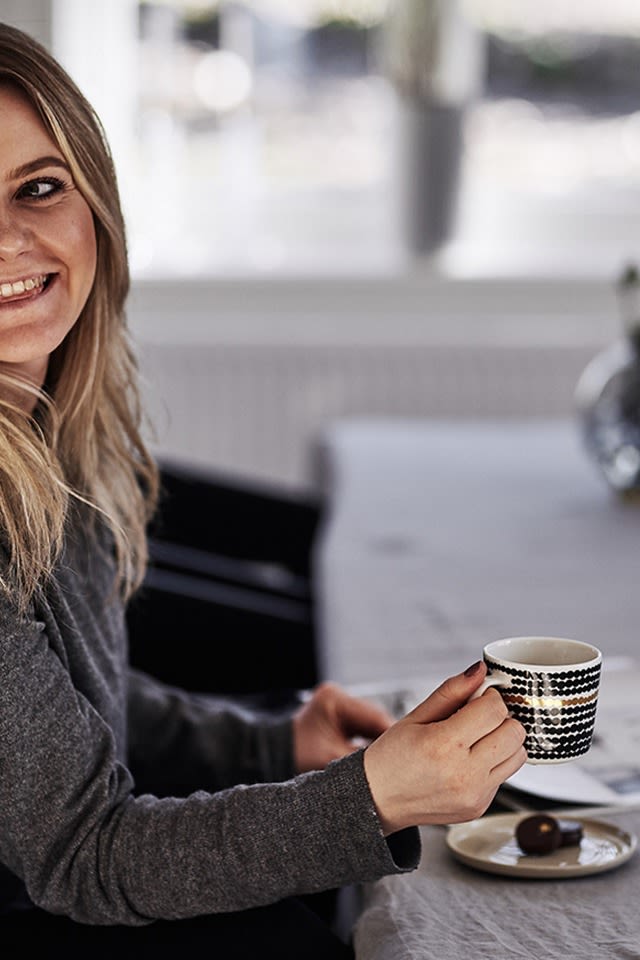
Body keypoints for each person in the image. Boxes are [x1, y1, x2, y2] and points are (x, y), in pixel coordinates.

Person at [0, 21, 527, 959]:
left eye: (38, 187)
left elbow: (79, 706)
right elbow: (87, 855)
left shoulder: (43, 425)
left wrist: (273, 746)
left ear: (96, 205)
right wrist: (374, 796)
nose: (10, 238)